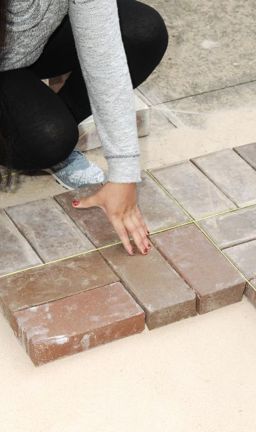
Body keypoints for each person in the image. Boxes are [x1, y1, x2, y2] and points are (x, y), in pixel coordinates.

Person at [0, 0, 168, 256]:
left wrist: (124, 174)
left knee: (142, 31)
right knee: (47, 139)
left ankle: (38, 116)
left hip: (32, 47)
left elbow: (104, 53)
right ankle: (24, 130)